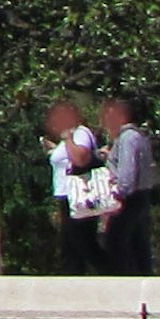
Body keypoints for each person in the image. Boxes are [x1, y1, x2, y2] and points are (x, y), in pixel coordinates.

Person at [45, 99, 109, 274]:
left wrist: (67, 139)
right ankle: (73, 280)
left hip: (78, 196)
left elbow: (81, 158)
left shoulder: (79, 134)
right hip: (66, 196)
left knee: (82, 241)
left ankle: (111, 272)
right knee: (71, 245)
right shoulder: (69, 137)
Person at [99, 91, 159, 276]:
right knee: (138, 245)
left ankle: (123, 287)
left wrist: (116, 196)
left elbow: (127, 173)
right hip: (138, 197)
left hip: (129, 198)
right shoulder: (133, 137)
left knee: (117, 243)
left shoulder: (128, 138)